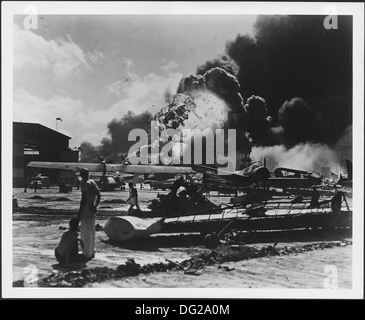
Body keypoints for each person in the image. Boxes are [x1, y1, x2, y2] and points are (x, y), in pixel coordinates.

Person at [77, 168, 101, 260]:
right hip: (91, 209)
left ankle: (86, 253)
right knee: (91, 231)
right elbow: (99, 195)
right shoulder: (93, 182)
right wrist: (95, 206)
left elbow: (83, 199)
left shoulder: (83, 183)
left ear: (82, 174)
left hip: (86, 209)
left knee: (85, 231)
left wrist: (79, 211)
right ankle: (91, 251)